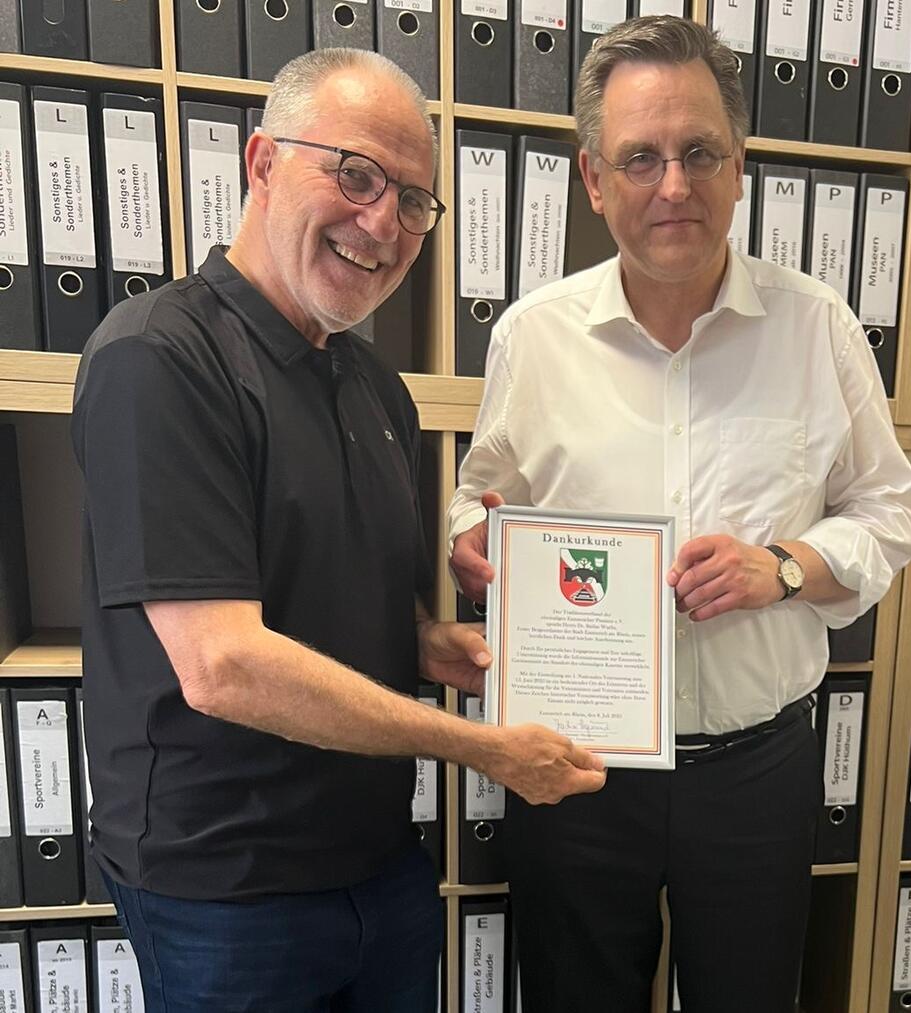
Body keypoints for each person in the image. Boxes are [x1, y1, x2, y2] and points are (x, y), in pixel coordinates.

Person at [71, 48, 604, 1012]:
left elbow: (340, 606)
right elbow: (222, 664)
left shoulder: (378, 392)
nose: (382, 222)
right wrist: (481, 750)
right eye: (356, 175)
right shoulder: (158, 359)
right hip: (225, 890)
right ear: (264, 161)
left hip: (380, 865)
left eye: (412, 200)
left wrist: (437, 647)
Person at [448, 15, 911, 1012]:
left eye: (700, 152)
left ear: (740, 165)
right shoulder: (533, 337)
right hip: (578, 768)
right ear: (593, 178)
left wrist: (783, 567)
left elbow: (889, 513)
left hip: (757, 769)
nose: (674, 186)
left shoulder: (818, 327)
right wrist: (472, 542)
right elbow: (478, 495)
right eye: (641, 158)